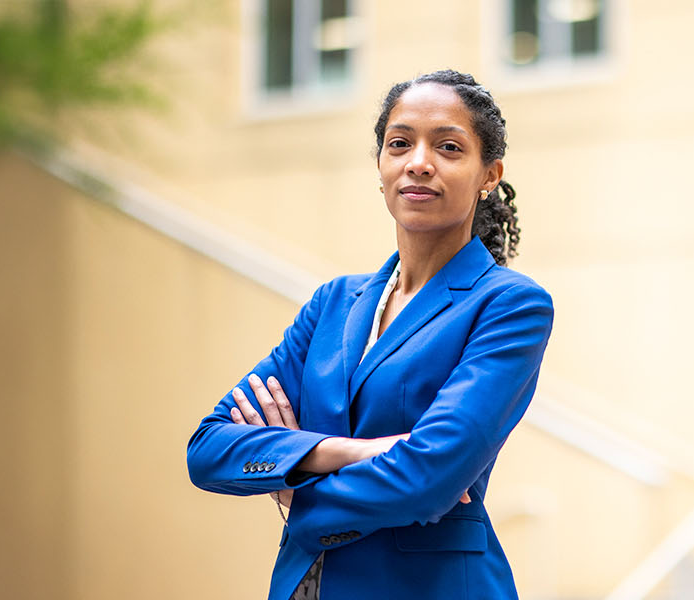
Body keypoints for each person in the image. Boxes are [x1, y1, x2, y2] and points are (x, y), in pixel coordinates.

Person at [185, 69, 552, 600]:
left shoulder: (508, 305)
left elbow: (429, 475)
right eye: (399, 143)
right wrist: (347, 452)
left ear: (488, 175)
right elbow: (208, 448)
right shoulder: (333, 303)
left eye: (448, 147)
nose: (418, 162)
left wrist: (294, 489)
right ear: (381, 165)